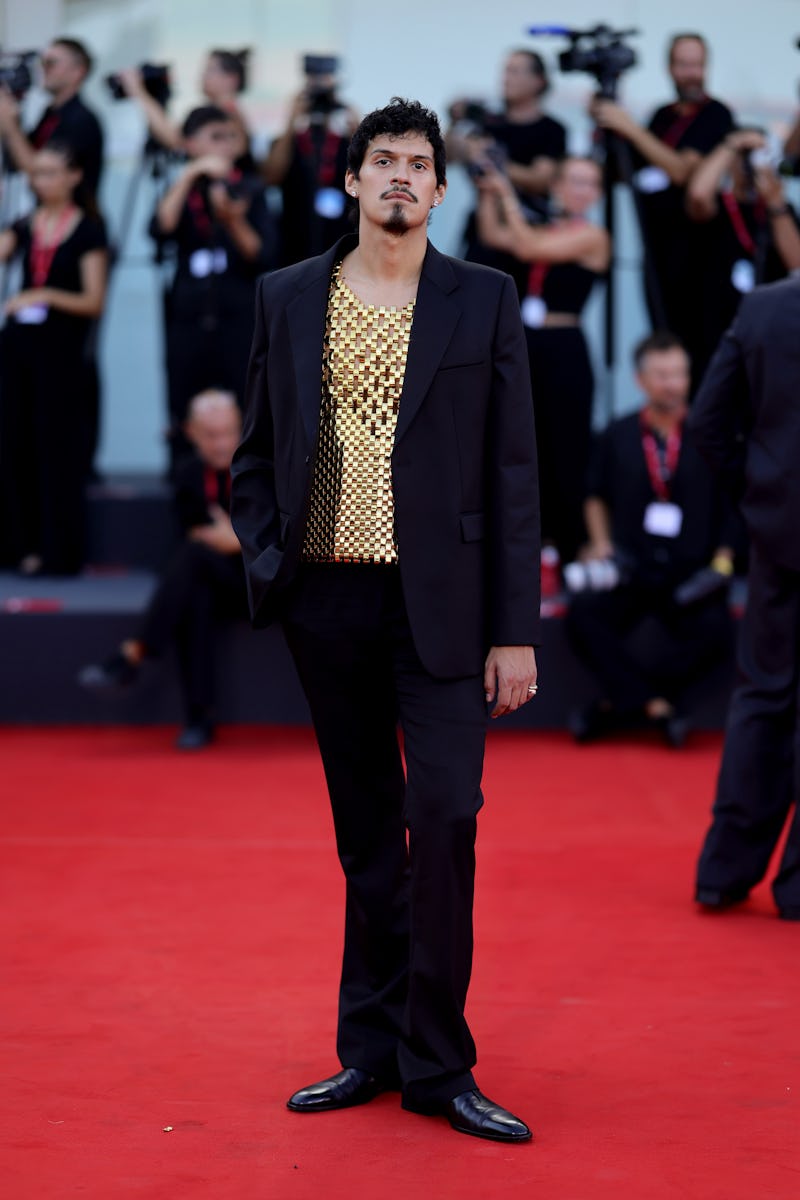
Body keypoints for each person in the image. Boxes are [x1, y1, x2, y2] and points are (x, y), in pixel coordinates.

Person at [231, 97, 540, 1142]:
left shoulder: (482, 298)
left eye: (419, 163)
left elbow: (512, 471)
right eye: (383, 161)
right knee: (366, 835)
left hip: (445, 605)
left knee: (443, 817)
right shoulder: (285, 294)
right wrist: (271, 557)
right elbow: (252, 450)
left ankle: (438, 1065)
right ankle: (366, 1049)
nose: (401, 176)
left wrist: (516, 628)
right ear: (352, 181)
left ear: (440, 190)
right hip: (328, 598)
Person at [565, 332, 736, 747]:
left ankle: (618, 702)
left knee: (717, 631)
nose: (673, 383)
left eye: (679, 373)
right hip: (631, 566)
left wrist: (723, 561)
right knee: (583, 616)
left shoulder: (712, 436)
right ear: (641, 379)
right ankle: (656, 706)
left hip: (690, 572)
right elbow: (594, 495)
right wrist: (601, 544)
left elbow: (733, 503)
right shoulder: (617, 435)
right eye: (662, 374)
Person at [690, 277, 800, 920]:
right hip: (775, 524)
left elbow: (709, 420)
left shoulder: (763, 307)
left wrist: (756, 495)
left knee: (761, 695)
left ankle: (723, 872)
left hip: (778, 530)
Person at [78, 391, 246, 750]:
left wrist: (239, 539)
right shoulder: (187, 474)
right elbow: (193, 530)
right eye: (210, 435)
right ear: (192, 433)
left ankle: (135, 652)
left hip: (259, 584)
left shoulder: (264, 468)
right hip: (214, 579)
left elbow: (277, 537)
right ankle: (199, 720)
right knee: (194, 593)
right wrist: (231, 536)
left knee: (194, 558)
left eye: (228, 433)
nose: (221, 444)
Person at [476, 154, 609, 572]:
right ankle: (535, 545)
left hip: (565, 345)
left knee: (567, 446)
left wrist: (508, 195)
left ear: (598, 193)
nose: (578, 190)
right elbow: (493, 235)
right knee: (527, 444)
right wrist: (487, 192)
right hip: (528, 343)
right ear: (557, 186)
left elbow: (530, 247)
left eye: (588, 183)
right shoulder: (544, 227)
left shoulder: (594, 236)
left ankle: (572, 546)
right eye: (572, 180)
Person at [591, 33, 734, 376]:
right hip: (657, 251)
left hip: (703, 257)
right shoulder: (662, 116)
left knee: (700, 351)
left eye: (697, 64)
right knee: (664, 338)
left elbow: (683, 170)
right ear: (670, 68)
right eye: (684, 64)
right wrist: (608, 129)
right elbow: (631, 170)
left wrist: (629, 126)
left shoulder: (716, 114)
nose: (691, 73)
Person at [0, 140, 108, 576]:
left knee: (54, 449)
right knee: (12, 444)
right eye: (36, 172)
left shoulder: (88, 229)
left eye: (48, 172)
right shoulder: (26, 222)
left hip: (59, 353)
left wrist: (44, 293)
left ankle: (55, 549)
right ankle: (18, 544)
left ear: (74, 176)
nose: (38, 180)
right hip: (18, 347)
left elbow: (93, 300)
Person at [149, 105, 276, 463]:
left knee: (245, 407)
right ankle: (188, 502)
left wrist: (233, 221)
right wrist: (189, 176)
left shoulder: (250, 187)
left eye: (231, 137)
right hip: (188, 316)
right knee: (183, 407)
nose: (225, 146)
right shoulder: (183, 186)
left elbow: (262, 254)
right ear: (190, 144)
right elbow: (161, 229)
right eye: (215, 138)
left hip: (237, 317)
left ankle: (245, 504)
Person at [447, 49, 567, 297]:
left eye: (514, 71)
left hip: (525, 230)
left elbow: (541, 180)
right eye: (505, 71)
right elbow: (446, 155)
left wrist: (492, 161)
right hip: (482, 227)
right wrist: (456, 121)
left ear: (538, 81)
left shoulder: (551, 130)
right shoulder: (489, 122)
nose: (505, 79)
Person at [685, 128, 800, 387]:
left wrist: (775, 202)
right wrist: (733, 143)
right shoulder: (719, 204)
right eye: (745, 156)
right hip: (716, 331)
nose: (750, 163)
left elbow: (797, 266)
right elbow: (698, 195)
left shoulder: (780, 210)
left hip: (769, 338)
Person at [263, 55, 360, 265]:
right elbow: (271, 177)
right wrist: (291, 121)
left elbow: (367, 175)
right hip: (295, 244)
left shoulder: (346, 142)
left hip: (341, 241)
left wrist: (360, 131)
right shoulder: (289, 143)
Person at [0, 38, 104, 205]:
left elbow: (40, 172)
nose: (44, 69)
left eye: (51, 63)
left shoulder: (82, 120)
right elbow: (18, 160)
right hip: (46, 219)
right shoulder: (50, 114)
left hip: (70, 223)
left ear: (78, 71)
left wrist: (11, 126)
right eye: (42, 63)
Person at [118, 48, 256, 174]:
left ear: (231, 78)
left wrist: (138, 91)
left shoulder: (229, 114)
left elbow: (176, 140)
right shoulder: (216, 113)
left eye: (209, 70)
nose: (202, 76)